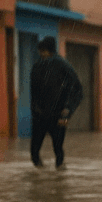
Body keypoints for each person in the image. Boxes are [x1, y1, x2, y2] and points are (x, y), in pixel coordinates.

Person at [29, 36, 83, 168]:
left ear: (48, 51)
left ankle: (53, 177)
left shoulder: (60, 65)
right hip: (46, 115)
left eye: (42, 51)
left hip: (55, 115)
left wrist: (68, 110)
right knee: (44, 150)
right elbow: (34, 92)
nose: (41, 54)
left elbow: (77, 89)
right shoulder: (38, 66)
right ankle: (49, 176)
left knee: (51, 150)